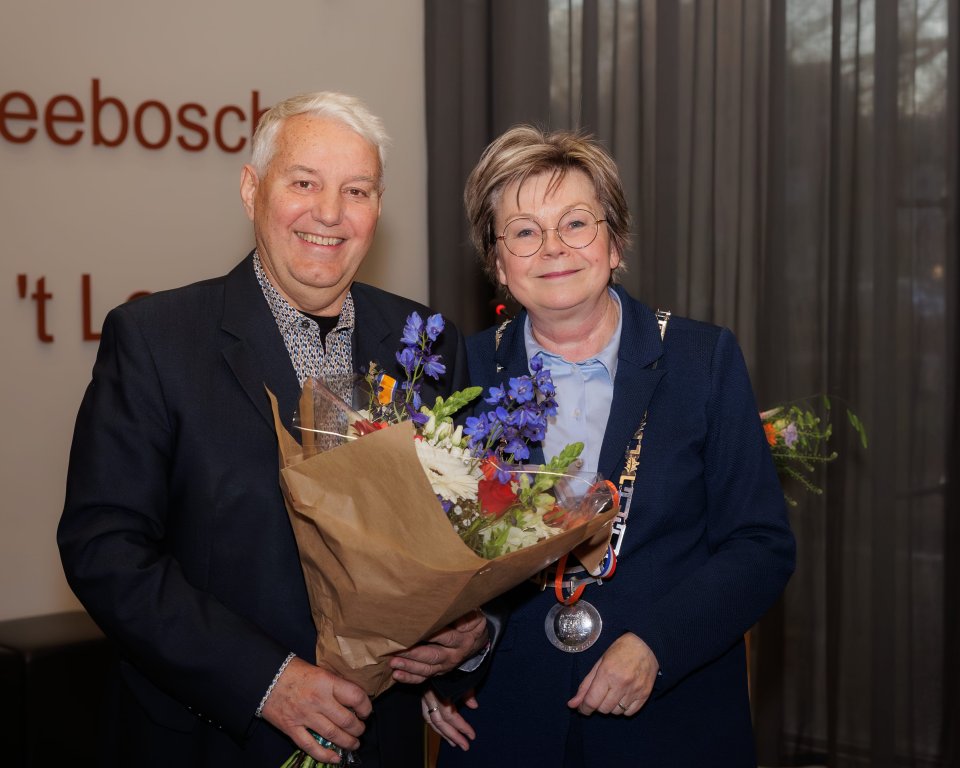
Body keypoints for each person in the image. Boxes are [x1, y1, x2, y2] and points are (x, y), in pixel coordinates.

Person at [58, 91, 488, 768]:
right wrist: (265, 681)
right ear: (252, 190)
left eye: (357, 190)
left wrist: (471, 635)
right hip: (217, 737)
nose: (329, 213)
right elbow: (105, 551)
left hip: (382, 740)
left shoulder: (426, 345)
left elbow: (469, 539)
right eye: (304, 183)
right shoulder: (156, 340)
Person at [421, 126, 796, 766]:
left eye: (575, 223)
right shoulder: (462, 370)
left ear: (615, 243)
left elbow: (759, 545)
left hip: (669, 719)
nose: (553, 249)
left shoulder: (701, 360)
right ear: (498, 261)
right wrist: (444, 660)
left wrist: (657, 644)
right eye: (523, 231)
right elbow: (431, 556)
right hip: (507, 720)